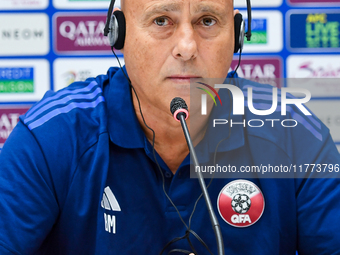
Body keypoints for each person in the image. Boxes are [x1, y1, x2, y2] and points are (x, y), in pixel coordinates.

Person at [0, 0, 340, 254]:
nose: (187, 48)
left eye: (207, 21)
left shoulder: (295, 135)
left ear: (236, 36)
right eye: (162, 21)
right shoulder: (51, 138)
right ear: (120, 32)